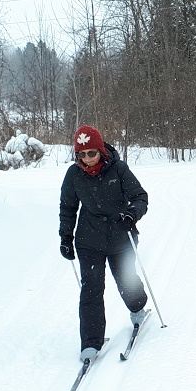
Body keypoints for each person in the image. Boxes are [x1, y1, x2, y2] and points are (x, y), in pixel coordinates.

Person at [58, 124, 151, 362]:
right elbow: (68, 208)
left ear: (101, 150)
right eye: (82, 154)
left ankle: (138, 308)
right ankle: (91, 342)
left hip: (120, 236)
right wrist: (65, 238)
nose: (87, 159)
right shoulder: (73, 175)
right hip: (89, 241)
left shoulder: (118, 170)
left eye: (92, 153)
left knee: (125, 279)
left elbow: (140, 197)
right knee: (91, 290)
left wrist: (131, 214)